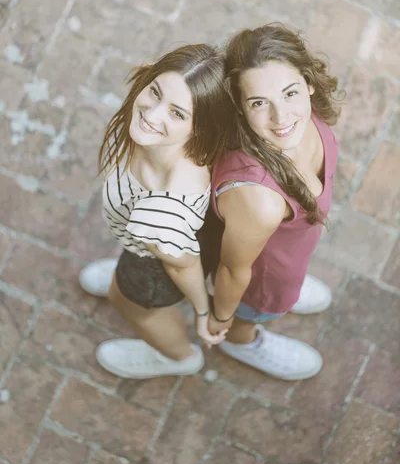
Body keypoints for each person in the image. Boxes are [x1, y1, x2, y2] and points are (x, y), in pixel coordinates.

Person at [79, 44, 232, 379]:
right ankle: (123, 269)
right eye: (155, 92)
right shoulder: (156, 137)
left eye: (177, 113)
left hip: (154, 268)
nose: (151, 114)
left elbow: (183, 266)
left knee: (127, 302)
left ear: (200, 127)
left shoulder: (163, 211)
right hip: (149, 242)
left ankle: (177, 357)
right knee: (125, 276)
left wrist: (202, 310)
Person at [206, 23, 341, 380]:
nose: (282, 118)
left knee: (288, 279)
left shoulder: (309, 115)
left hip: (287, 253)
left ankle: (291, 285)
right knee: (255, 312)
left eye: (290, 93)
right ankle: (243, 342)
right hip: (261, 281)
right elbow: (235, 271)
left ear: (309, 81)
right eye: (259, 103)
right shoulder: (259, 197)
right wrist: (220, 318)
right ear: (239, 105)